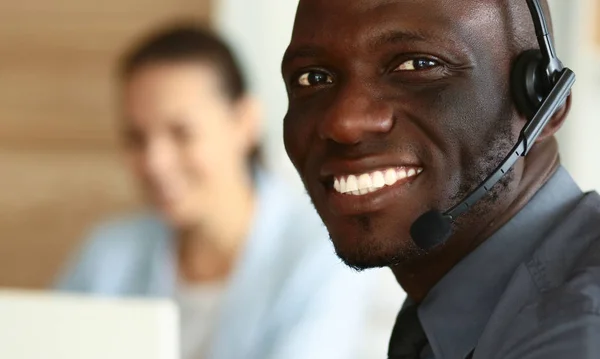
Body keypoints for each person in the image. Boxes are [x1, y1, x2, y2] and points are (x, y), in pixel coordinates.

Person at [281, 0, 600, 358]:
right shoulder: (453, 315)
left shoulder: (577, 332)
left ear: (545, 103)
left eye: (418, 65)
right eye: (314, 77)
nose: (344, 123)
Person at [56, 23, 385, 359]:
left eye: (182, 133)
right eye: (137, 138)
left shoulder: (325, 253)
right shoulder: (107, 254)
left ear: (244, 122)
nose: (154, 162)